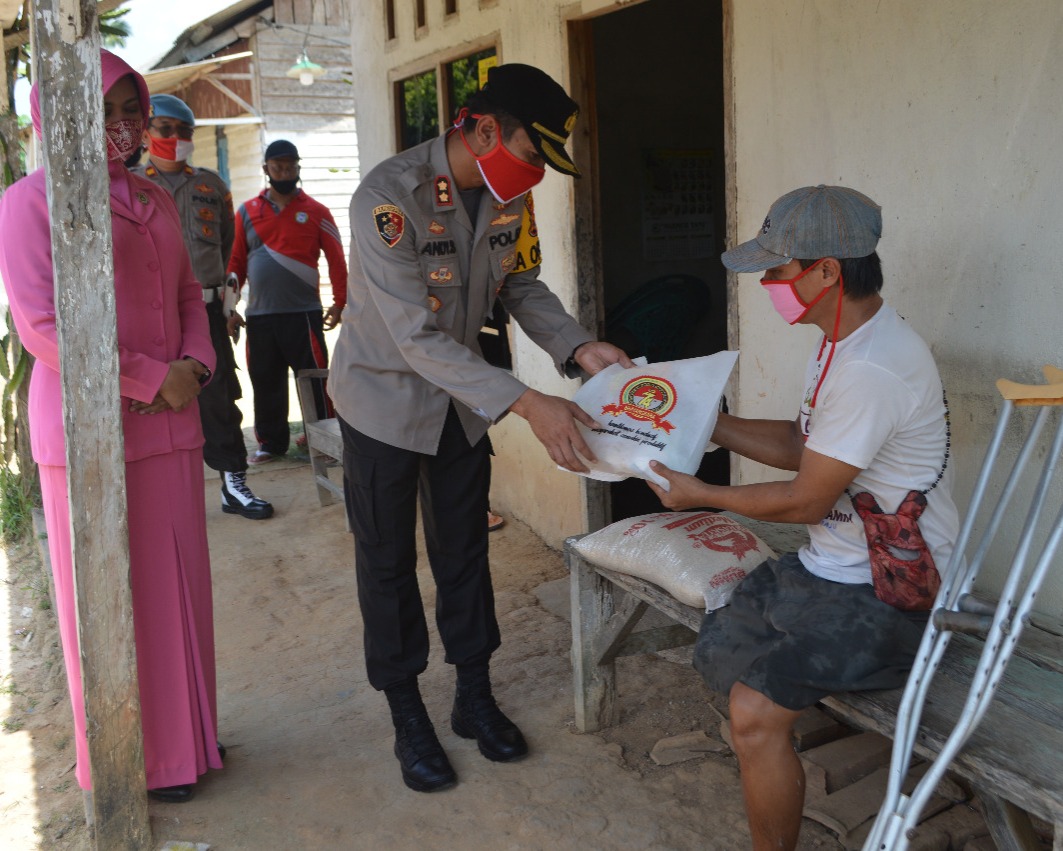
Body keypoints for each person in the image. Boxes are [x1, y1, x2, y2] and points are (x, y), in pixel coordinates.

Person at [328, 63, 633, 792]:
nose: (535, 175)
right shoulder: (388, 197)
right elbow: (414, 339)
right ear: (486, 129)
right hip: (382, 407)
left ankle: (472, 694)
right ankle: (407, 709)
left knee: (464, 551)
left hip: (461, 407)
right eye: (532, 155)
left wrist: (576, 345)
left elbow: (520, 285)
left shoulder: (506, 198)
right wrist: (528, 401)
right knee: (387, 562)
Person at [646, 185, 960, 850]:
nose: (766, 283)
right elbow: (803, 444)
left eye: (777, 268)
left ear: (826, 271)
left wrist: (701, 493)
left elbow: (806, 498)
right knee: (719, 643)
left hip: (891, 594)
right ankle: (780, 747)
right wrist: (708, 421)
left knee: (753, 714)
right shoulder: (843, 341)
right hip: (829, 569)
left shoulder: (874, 366)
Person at [0, 50, 225, 802]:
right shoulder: (28, 202)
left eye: (131, 111)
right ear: (57, 116)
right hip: (89, 431)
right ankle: (136, 758)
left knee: (178, 588)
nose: (123, 127)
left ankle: (190, 740)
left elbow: (192, 293)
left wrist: (195, 361)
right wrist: (148, 376)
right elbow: (42, 326)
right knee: (106, 596)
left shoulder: (155, 199)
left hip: (172, 422)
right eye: (104, 111)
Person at [133, 93, 272, 520]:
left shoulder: (212, 186)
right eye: (166, 130)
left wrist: (228, 305)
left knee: (218, 394)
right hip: (149, 312)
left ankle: (233, 484)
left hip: (207, 311)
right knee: (150, 397)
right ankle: (158, 498)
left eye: (184, 131)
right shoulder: (132, 184)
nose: (176, 138)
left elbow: (228, 249)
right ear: (147, 132)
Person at [227, 139, 348, 464]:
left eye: (290, 166)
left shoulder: (317, 212)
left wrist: (340, 302)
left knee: (313, 379)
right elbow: (235, 263)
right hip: (261, 317)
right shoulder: (247, 212)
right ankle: (271, 443)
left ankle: (321, 440)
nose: (284, 172)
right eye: (277, 167)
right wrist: (230, 309)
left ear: (298, 168)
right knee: (265, 379)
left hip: (304, 315)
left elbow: (337, 259)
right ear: (266, 169)